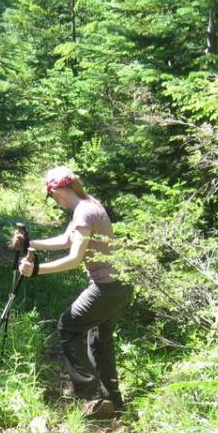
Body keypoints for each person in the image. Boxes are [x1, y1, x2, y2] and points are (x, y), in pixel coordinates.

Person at [14, 165, 132, 420]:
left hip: (106, 287)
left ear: (58, 190)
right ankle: (111, 400)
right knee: (100, 340)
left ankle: (92, 396)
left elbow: (74, 258)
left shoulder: (84, 211)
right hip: (121, 284)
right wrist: (29, 242)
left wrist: (35, 270)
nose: (55, 201)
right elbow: (67, 240)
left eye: (52, 196)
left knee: (68, 327)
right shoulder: (88, 205)